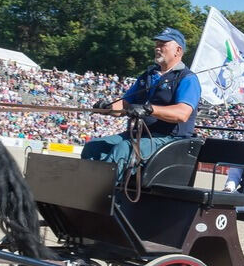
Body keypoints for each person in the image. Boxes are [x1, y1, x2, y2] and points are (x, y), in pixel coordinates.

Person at [81, 27, 200, 177]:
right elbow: (125, 104)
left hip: (169, 139)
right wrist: (107, 107)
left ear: (178, 50)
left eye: (163, 44)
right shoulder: (148, 75)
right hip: (140, 135)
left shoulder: (187, 78)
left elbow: (182, 114)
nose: (157, 48)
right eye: (156, 44)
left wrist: (149, 109)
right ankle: (87, 185)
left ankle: (100, 189)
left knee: (124, 149)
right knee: (93, 147)